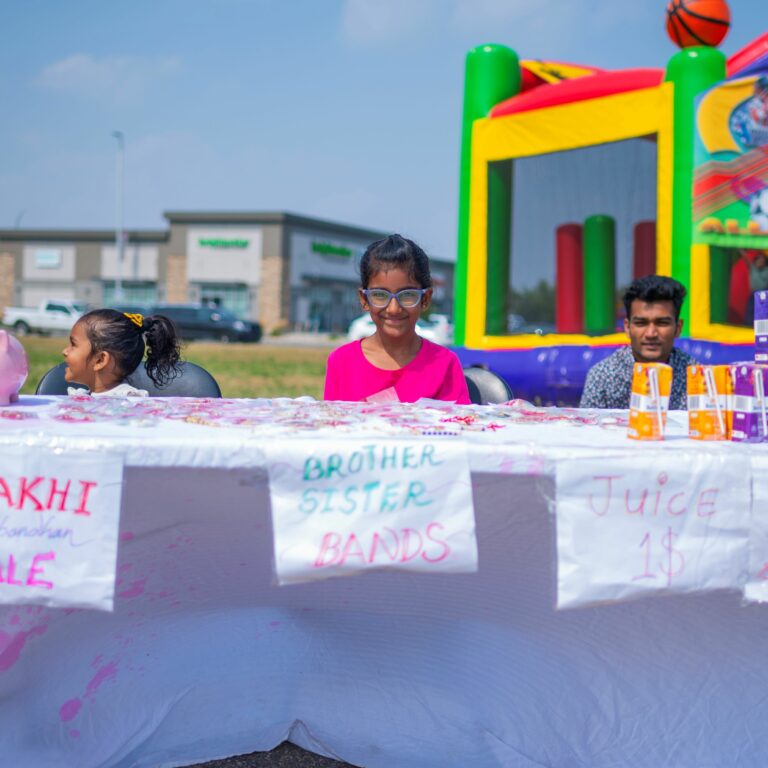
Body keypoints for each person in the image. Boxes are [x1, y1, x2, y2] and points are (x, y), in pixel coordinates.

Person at [324, 234, 471, 404]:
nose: (394, 308)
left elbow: (457, 426)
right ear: (364, 300)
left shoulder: (444, 364)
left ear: (425, 298)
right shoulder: (342, 362)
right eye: (380, 295)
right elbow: (334, 425)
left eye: (408, 295)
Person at [579, 275, 695, 410]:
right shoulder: (602, 378)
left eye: (662, 323)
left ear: (678, 328)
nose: (651, 333)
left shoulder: (697, 379)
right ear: (627, 328)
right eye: (641, 323)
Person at [63, 309, 181, 396]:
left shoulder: (130, 402)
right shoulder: (79, 397)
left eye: (73, 344)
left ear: (100, 360)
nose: (64, 351)